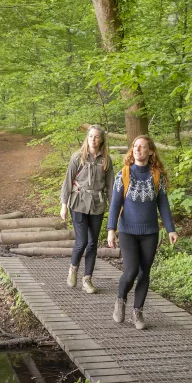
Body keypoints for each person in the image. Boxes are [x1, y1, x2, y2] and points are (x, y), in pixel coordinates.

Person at [106, 135, 178, 330]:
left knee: (144, 272)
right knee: (130, 271)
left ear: (150, 151)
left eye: (142, 147)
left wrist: (171, 229)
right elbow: (115, 204)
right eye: (135, 146)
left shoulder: (157, 176)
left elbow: (163, 204)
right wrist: (111, 229)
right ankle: (121, 300)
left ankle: (138, 312)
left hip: (150, 232)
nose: (137, 149)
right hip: (127, 230)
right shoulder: (124, 174)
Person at [60, 125, 114, 294]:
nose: (93, 139)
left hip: (97, 205)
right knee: (82, 241)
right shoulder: (78, 157)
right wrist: (64, 205)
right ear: (87, 137)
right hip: (79, 203)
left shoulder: (106, 160)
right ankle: (73, 268)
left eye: (97, 137)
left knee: (92, 243)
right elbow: (67, 182)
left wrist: (114, 209)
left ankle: (87, 279)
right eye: (90, 136)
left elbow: (111, 186)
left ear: (101, 139)